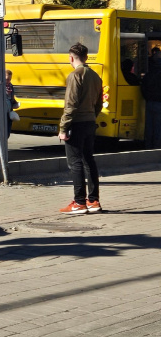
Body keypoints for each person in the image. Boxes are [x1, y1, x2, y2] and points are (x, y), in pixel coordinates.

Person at [59, 43, 103, 215]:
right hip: (90, 122)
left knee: (75, 162)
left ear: (71, 58)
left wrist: (63, 127)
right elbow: (99, 103)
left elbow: (71, 104)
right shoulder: (95, 76)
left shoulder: (75, 76)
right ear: (86, 56)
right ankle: (93, 200)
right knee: (89, 160)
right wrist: (92, 116)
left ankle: (79, 202)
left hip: (76, 123)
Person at [141, 48, 161, 149]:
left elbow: (143, 88)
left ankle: (148, 145)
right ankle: (157, 146)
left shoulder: (148, 74)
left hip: (149, 103)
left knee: (149, 126)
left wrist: (147, 98)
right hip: (159, 103)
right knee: (158, 127)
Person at [6, 69, 20, 135]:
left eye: (10, 79)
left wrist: (16, 103)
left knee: (8, 132)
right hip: (2, 113)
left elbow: (12, 98)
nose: (9, 81)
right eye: (7, 79)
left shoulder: (11, 86)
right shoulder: (0, 86)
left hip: (9, 112)